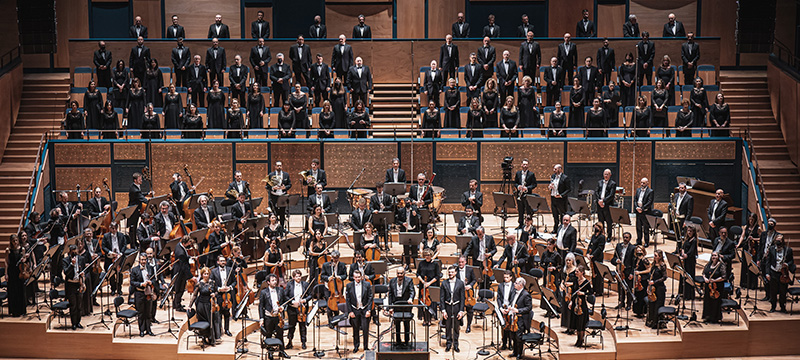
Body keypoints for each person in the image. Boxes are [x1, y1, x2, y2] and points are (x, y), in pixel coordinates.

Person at [259, 274, 290, 357]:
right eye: (273, 280)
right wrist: (261, 318)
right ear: (268, 282)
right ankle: (270, 352)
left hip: (278, 317)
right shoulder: (264, 292)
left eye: (275, 280)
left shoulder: (280, 290)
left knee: (280, 334)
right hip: (268, 317)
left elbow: (284, 301)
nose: (275, 282)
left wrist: (283, 307)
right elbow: (261, 306)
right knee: (268, 335)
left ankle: (282, 352)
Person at [385, 267, 415, 345]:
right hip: (396, 304)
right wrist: (390, 307)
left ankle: (407, 341)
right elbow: (390, 295)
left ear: (404, 273)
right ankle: (398, 340)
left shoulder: (409, 280)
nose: (400, 275)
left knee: (406, 324)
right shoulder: (392, 281)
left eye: (401, 273)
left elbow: (412, 291)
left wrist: (411, 298)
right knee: (397, 323)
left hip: (406, 304)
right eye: (398, 273)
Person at [345, 269, 372, 352]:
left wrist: (369, 310)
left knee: (365, 329)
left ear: (361, 277)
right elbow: (348, 300)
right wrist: (350, 311)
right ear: (353, 277)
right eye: (356, 277)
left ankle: (366, 347)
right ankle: (356, 346)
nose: (358, 279)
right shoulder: (349, 286)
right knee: (355, 329)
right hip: (355, 310)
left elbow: (370, 298)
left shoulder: (367, 284)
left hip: (364, 309)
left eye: (359, 277)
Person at [766, 235, 795, 312]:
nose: (778, 241)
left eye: (780, 240)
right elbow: (768, 262)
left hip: (783, 273)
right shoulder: (771, 249)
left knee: (783, 291)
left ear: (782, 241)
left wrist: (787, 264)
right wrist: (767, 273)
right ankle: (773, 306)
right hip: (773, 272)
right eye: (777, 240)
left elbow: (791, 261)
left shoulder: (788, 250)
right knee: (773, 291)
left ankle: (782, 307)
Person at [441, 266, 465, 352]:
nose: (450, 273)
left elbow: (462, 298)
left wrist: (461, 311)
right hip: (447, 307)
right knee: (448, 327)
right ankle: (448, 344)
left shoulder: (460, 283)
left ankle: (455, 345)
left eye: (452, 272)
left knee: (456, 327)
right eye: (449, 272)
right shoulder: (444, 283)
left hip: (456, 307)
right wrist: (443, 310)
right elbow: (442, 298)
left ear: (455, 273)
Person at [507, 277, 533, 357]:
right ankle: (515, 352)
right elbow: (512, 302)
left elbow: (529, 308)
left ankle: (519, 353)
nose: (514, 284)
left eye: (516, 283)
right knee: (513, 335)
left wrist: (518, 310)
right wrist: (509, 307)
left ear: (520, 285)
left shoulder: (526, 295)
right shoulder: (514, 292)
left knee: (518, 337)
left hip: (520, 318)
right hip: (513, 317)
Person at [131, 254, 156, 337]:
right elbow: (132, 282)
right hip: (139, 293)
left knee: (148, 312)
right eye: (142, 260)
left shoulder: (150, 268)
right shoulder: (134, 270)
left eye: (145, 260)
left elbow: (154, 279)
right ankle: (141, 330)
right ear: (139, 260)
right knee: (141, 313)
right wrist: (141, 284)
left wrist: (151, 282)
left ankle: (148, 329)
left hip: (148, 293)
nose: (143, 261)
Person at [285, 270, 309, 349]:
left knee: (302, 327)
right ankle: (290, 342)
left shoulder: (305, 284)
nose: (299, 278)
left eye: (299, 276)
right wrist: (292, 302)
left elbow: (311, 295)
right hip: (292, 309)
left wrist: (305, 300)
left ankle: (303, 342)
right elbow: (285, 296)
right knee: (292, 326)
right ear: (293, 277)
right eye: (297, 276)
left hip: (302, 309)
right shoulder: (289, 284)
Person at [611, 232, 635, 309]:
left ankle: (629, 304)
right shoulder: (618, 246)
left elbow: (633, 263)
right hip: (620, 270)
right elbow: (613, 259)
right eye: (624, 237)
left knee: (628, 287)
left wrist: (632, 273)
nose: (625, 239)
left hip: (628, 270)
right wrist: (616, 260)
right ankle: (621, 302)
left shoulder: (632, 248)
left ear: (630, 239)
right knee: (620, 287)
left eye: (627, 237)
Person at [63, 244, 85, 330]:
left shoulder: (82, 259)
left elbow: (85, 270)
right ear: (69, 252)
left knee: (79, 305)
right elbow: (66, 272)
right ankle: (73, 323)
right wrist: (72, 264)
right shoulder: (65, 260)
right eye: (73, 253)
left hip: (79, 284)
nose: (74, 254)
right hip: (71, 285)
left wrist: (83, 274)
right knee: (73, 305)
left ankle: (78, 322)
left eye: (76, 252)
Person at [416, 248, 440, 325]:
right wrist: (423, 282)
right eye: (426, 255)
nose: (427, 256)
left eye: (429, 255)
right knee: (423, 301)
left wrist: (429, 283)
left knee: (431, 302)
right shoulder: (421, 263)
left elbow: (437, 276)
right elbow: (417, 274)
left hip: (432, 285)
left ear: (431, 255)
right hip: (423, 285)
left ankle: (429, 319)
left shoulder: (435, 264)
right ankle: (424, 318)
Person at [569, 266, 591, 347]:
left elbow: (591, 292)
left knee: (581, 324)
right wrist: (571, 302)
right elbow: (573, 292)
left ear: (582, 272)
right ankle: (578, 339)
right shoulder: (575, 281)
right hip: (575, 304)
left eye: (577, 271)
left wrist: (583, 293)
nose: (575, 273)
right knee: (576, 323)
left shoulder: (586, 282)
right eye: (575, 271)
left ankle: (581, 340)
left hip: (582, 305)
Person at [702, 252, 726, 323]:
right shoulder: (709, 264)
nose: (713, 257)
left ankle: (714, 318)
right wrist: (705, 279)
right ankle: (707, 317)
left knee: (715, 302)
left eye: (715, 255)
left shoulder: (721, 265)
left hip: (717, 287)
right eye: (712, 255)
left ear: (718, 257)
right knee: (707, 301)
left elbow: (723, 277)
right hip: (708, 287)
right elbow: (703, 273)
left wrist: (715, 280)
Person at [738, 213, 761, 289]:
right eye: (750, 219)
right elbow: (742, 236)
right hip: (746, 247)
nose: (751, 221)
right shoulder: (746, 227)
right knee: (745, 265)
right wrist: (738, 244)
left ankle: (752, 284)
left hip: (753, 249)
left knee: (752, 266)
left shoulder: (758, 228)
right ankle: (744, 283)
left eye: (752, 220)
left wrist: (754, 239)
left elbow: (761, 238)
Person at [6, 234, 28, 316]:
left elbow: (24, 259)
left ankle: (21, 310)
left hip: (19, 271)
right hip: (12, 272)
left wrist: (24, 259)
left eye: (16, 240)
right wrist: (6, 274)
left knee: (20, 290)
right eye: (13, 241)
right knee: (13, 291)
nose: (15, 242)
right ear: (11, 242)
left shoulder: (22, 249)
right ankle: (14, 311)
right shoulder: (8, 250)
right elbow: (6, 262)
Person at [646, 250, 667, 329]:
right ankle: (651, 322)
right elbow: (651, 275)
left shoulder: (662, 265)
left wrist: (654, 282)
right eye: (654, 255)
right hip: (653, 288)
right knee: (652, 304)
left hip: (659, 289)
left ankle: (657, 323)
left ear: (660, 257)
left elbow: (664, 277)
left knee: (658, 305)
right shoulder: (653, 264)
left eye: (656, 255)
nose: (654, 257)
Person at [267, 161, 292, 226]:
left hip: (282, 196)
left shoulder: (286, 175)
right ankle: (274, 227)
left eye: (280, 166)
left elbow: (290, 185)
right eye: (278, 166)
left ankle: (282, 228)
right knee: (274, 212)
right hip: (274, 196)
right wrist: (273, 188)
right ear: (275, 167)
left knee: (282, 213)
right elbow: (267, 186)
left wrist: (285, 187)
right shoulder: (271, 175)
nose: (279, 167)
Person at [596, 169, 617, 241]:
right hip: (599, 204)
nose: (606, 175)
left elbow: (611, 195)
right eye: (605, 174)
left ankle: (609, 236)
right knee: (600, 220)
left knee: (609, 221)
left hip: (607, 205)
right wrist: (599, 200)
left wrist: (603, 201)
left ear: (610, 175)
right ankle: (602, 235)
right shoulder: (599, 182)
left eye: (607, 174)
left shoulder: (613, 184)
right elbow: (596, 192)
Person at [514, 159, 536, 228]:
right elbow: (515, 183)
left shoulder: (531, 174)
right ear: (521, 165)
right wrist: (518, 186)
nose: (525, 166)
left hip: (527, 195)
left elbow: (534, 184)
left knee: (528, 210)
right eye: (524, 164)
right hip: (520, 194)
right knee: (520, 210)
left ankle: (529, 224)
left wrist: (527, 188)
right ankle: (520, 224)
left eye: (526, 164)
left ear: (528, 165)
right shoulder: (518, 173)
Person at [633, 178, 654, 247]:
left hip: (645, 212)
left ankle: (646, 242)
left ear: (647, 183)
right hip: (638, 211)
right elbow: (635, 200)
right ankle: (639, 241)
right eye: (641, 182)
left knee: (645, 228)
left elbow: (649, 202)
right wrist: (637, 207)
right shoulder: (638, 190)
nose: (642, 184)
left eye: (644, 183)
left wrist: (642, 208)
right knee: (638, 227)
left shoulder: (650, 191)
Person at [587, 222, 606, 296]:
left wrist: (593, 255)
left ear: (600, 228)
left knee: (598, 274)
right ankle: (594, 289)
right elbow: (590, 245)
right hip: (592, 257)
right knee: (593, 273)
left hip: (598, 257)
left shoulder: (602, 237)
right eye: (595, 226)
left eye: (597, 227)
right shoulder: (593, 236)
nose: (595, 228)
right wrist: (588, 253)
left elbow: (600, 248)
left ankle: (599, 291)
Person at [680, 226, 698, 301]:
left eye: (691, 231)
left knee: (689, 277)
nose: (689, 232)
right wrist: (682, 253)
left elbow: (691, 251)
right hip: (685, 260)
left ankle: (689, 295)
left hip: (690, 261)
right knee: (684, 276)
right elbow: (683, 247)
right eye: (688, 231)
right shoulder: (687, 239)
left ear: (693, 232)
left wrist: (685, 255)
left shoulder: (694, 240)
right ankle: (683, 293)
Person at [498, 272, 517, 345]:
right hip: (503, 308)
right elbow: (498, 298)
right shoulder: (500, 285)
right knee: (503, 326)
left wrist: (510, 308)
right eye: (504, 277)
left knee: (510, 326)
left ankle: (510, 344)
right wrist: (501, 308)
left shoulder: (514, 286)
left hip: (510, 308)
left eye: (507, 277)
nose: (505, 279)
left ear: (511, 277)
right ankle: (504, 342)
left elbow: (514, 298)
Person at [632, 246, 649, 317]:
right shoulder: (636, 259)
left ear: (643, 251)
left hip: (643, 280)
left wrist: (640, 272)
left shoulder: (644, 260)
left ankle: (642, 312)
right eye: (637, 250)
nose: (639, 252)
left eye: (640, 250)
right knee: (637, 296)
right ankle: (637, 311)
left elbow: (649, 269)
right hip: (637, 280)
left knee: (641, 296)